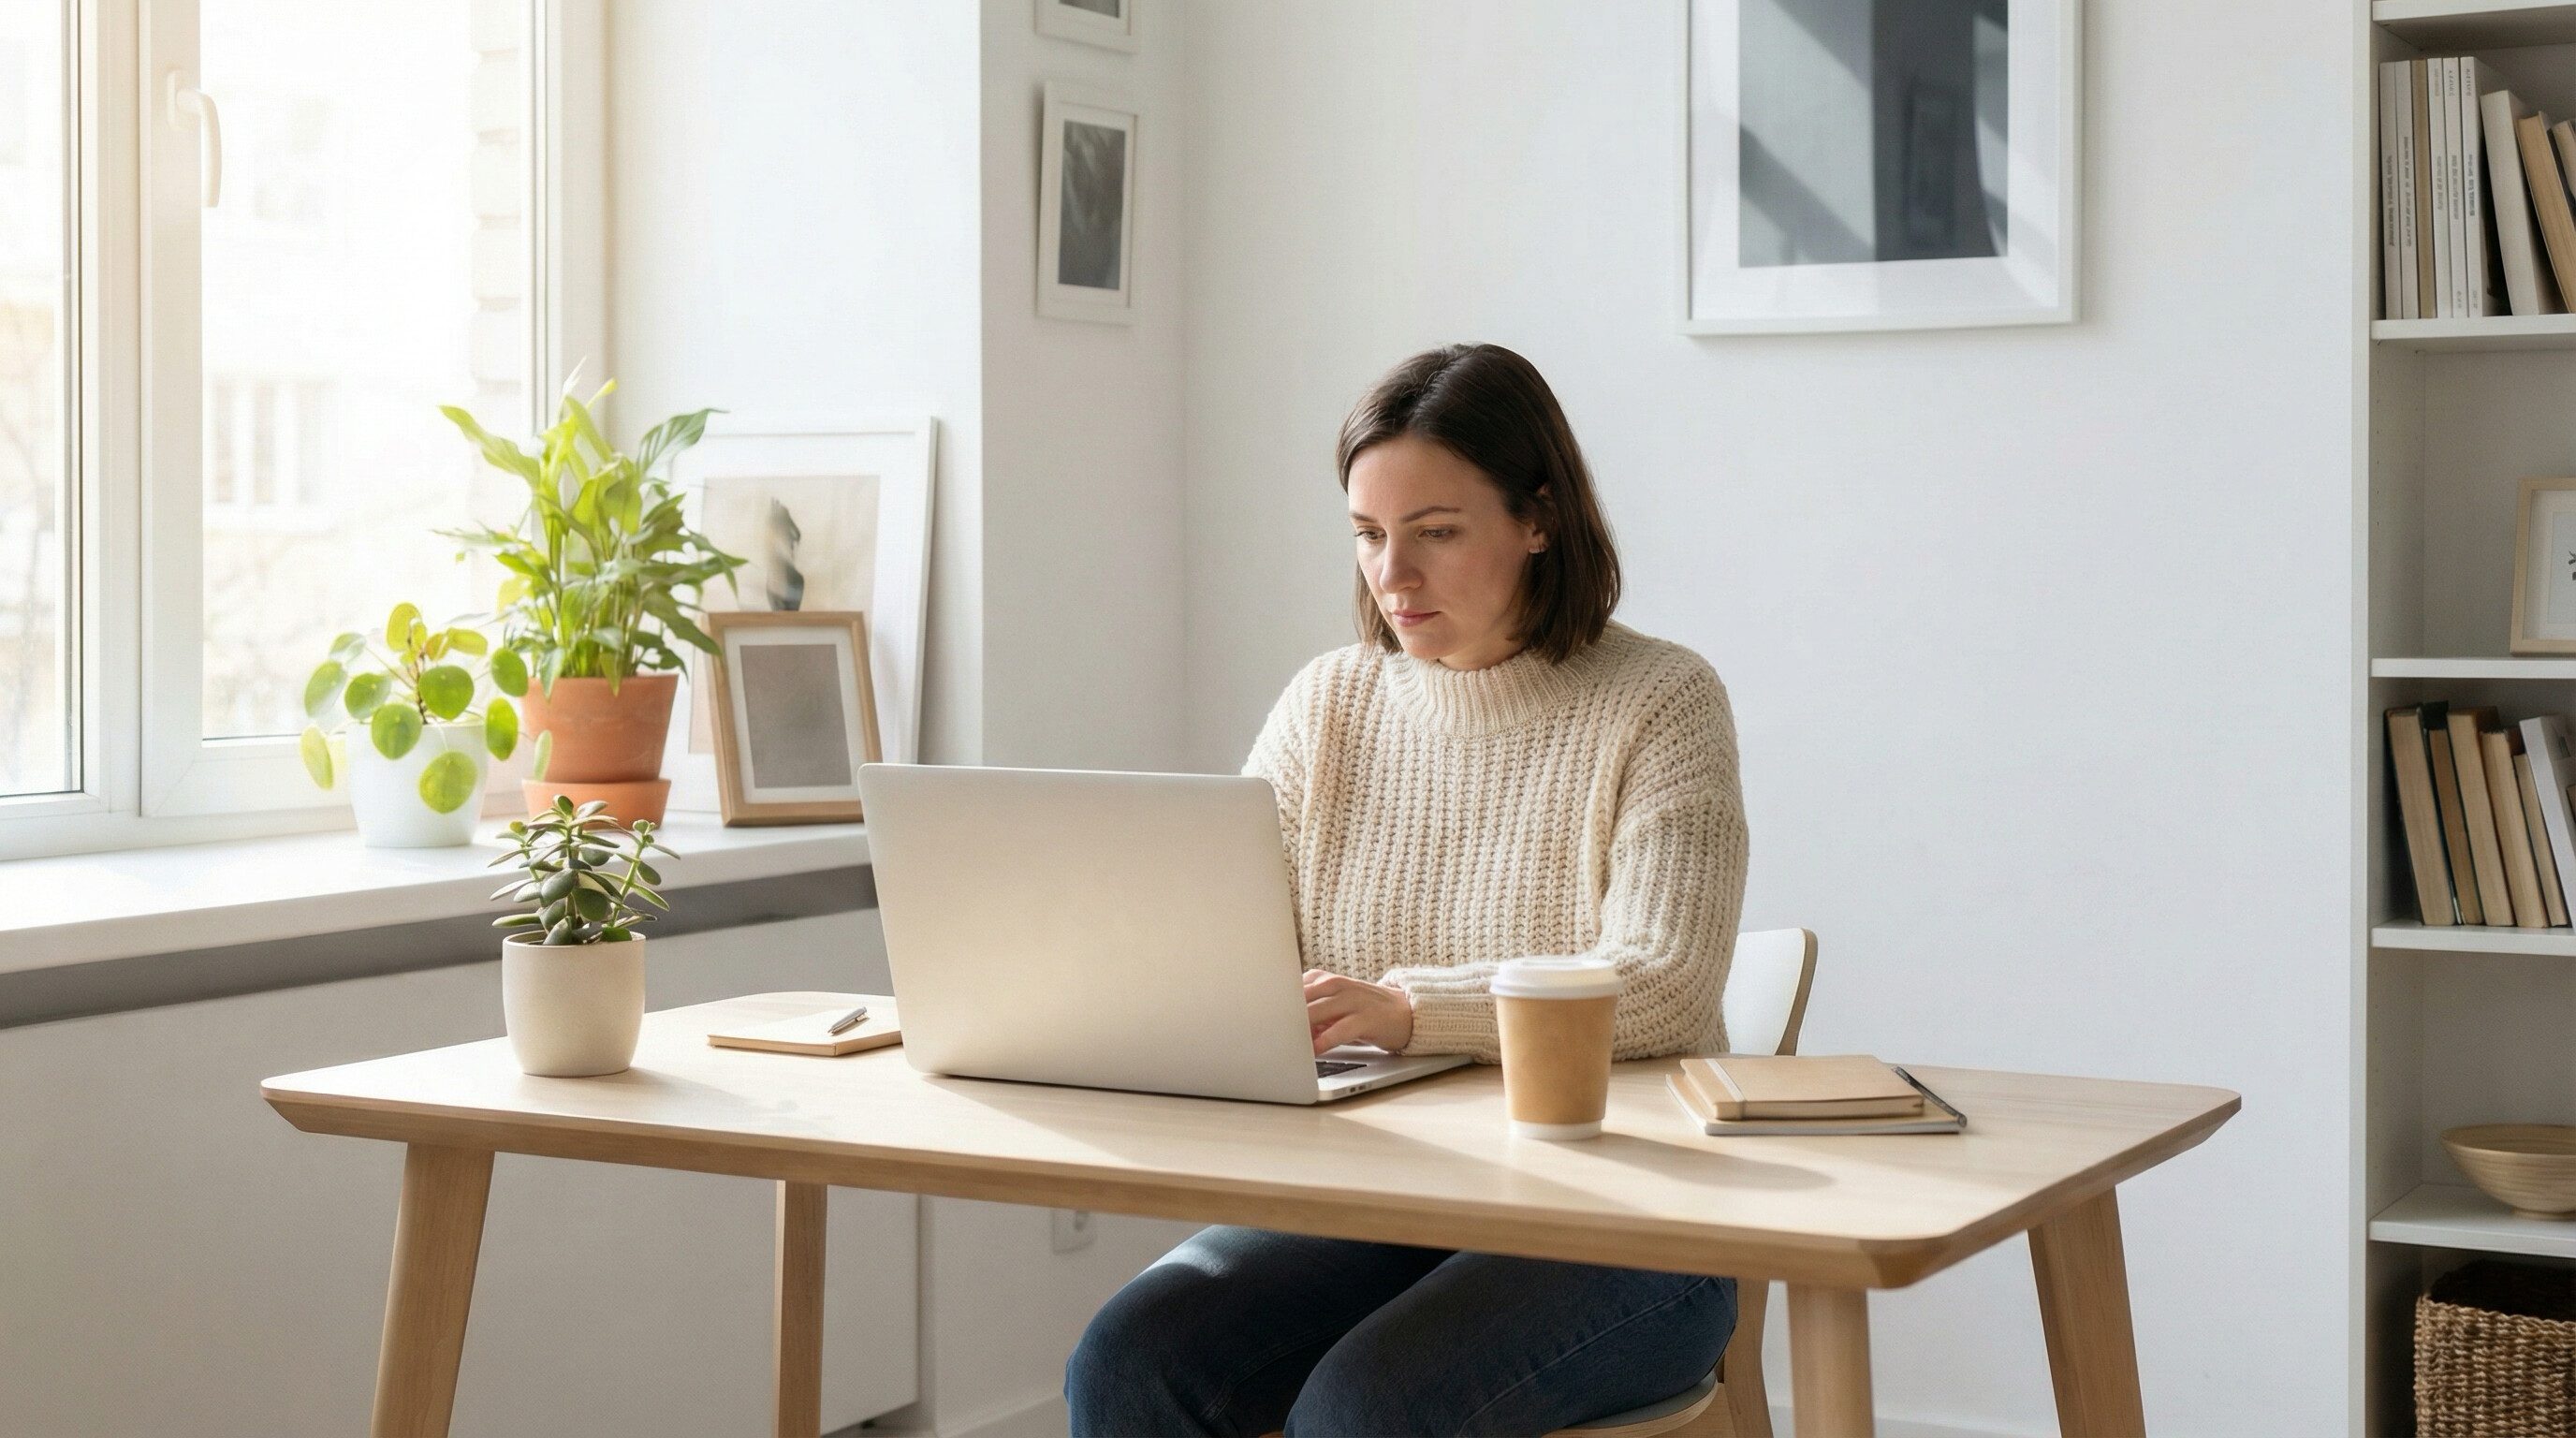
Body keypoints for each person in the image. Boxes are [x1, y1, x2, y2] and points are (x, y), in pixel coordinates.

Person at [1064, 343, 1750, 1436]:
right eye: (1369, 535)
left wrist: (1409, 1009)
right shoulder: (1329, 704)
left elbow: (1663, 982)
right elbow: (1221, 943)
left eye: (1434, 532)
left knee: (1364, 1409)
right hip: (1377, 1205)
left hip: (1631, 1229)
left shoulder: (1661, 699)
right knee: (1128, 1361)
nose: (1392, 576)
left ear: (1539, 519)